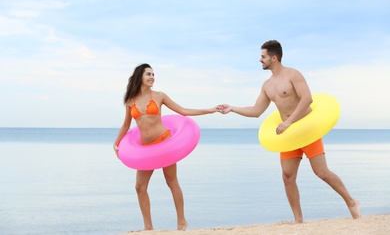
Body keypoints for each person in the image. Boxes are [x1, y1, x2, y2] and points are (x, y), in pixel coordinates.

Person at [220, 40, 361, 223]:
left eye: (263, 56)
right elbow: (256, 111)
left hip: (306, 130)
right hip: (288, 136)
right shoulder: (267, 85)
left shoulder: (293, 75)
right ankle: (298, 219)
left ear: (274, 57)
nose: (260, 60)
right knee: (287, 177)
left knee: (322, 172)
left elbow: (307, 99)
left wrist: (289, 121)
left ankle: (351, 201)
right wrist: (232, 108)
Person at [113, 63, 218, 231]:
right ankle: (148, 227)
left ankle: (182, 221)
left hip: (165, 143)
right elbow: (126, 125)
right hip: (147, 150)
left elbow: (182, 110)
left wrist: (209, 110)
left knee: (171, 181)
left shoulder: (159, 96)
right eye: (148, 74)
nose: (152, 77)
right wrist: (116, 143)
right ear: (140, 76)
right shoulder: (130, 101)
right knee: (140, 187)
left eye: (153, 74)